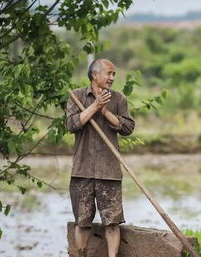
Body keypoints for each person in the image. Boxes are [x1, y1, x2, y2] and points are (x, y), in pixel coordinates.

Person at [65, 59, 135, 257]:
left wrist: (105, 110)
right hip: (82, 170)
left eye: (114, 74)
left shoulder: (119, 99)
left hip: (109, 171)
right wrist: (95, 106)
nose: (112, 78)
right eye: (109, 73)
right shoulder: (77, 96)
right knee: (83, 222)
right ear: (95, 75)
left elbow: (128, 128)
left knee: (112, 223)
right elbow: (71, 125)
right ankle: (81, 254)